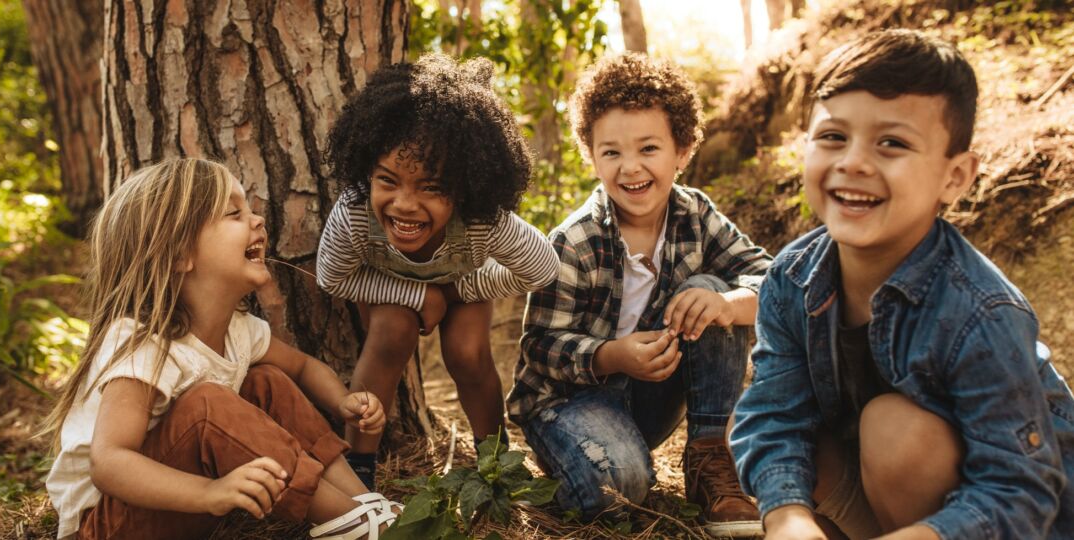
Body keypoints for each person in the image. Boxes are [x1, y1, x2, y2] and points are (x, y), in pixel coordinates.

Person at [730, 29, 1074, 540]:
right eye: (833, 137)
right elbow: (772, 415)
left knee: (895, 429)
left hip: (1020, 521)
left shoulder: (982, 310)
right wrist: (788, 518)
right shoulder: (793, 277)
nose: (853, 162)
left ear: (954, 177)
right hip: (885, 492)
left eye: (891, 143)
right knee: (803, 443)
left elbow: (1018, 489)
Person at [43, 159, 400, 540]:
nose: (258, 219)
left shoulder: (238, 330)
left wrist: (341, 401)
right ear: (180, 253)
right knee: (207, 406)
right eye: (234, 213)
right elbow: (109, 463)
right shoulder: (144, 343)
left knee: (267, 381)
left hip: (176, 507)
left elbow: (300, 368)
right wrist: (209, 493)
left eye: (249, 209)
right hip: (110, 524)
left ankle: (362, 505)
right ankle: (350, 525)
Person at [506, 52, 773, 538]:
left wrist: (729, 304)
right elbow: (539, 346)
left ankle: (709, 455)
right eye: (611, 152)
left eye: (649, 148)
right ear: (591, 156)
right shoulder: (574, 241)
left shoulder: (696, 214)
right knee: (622, 486)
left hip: (650, 397)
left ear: (683, 150)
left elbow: (774, 280)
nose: (630, 168)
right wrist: (611, 356)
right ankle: (592, 460)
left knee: (709, 292)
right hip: (568, 403)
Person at [316, 53, 558, 490]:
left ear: (464, 188)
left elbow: (541, 267)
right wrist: (416, 295)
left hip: (462, 286)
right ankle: (359, 472)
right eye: (387, 180)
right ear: (367, 170)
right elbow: (332, 277)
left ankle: (496, 464)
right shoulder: (354, 213)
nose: (405, 203)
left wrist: (462, 287)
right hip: (389, 290)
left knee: (467, 353)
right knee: (391, 332)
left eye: (431, 187)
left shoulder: (483, 220)